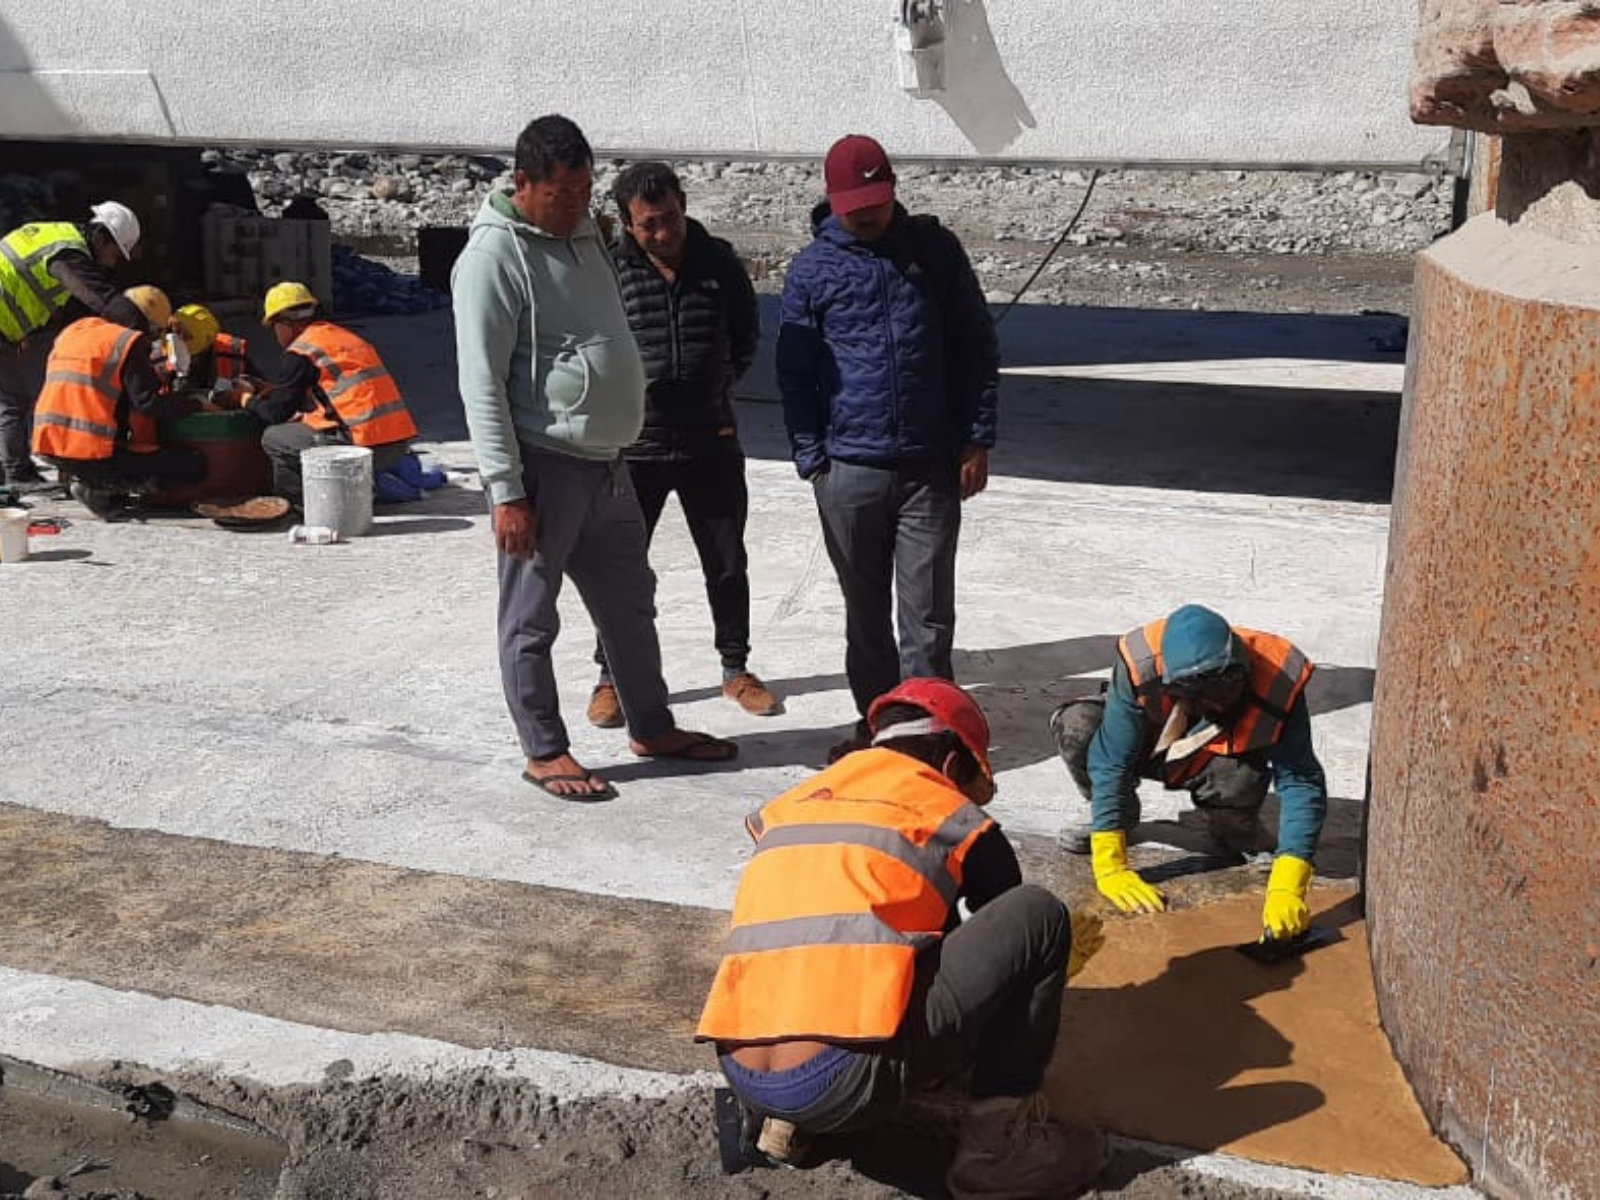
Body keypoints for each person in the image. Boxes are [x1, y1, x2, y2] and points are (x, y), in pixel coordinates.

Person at [698, 678, 1107, 1199]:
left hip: (742, 1072)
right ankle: (998, 1153)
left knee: (822, 932)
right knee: (1040, 917)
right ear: (954, 765)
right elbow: (1004, 940)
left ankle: (784, 1126)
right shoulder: (949, 812)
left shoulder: (793, 806)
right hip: (844, 1082)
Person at [452, 113, 737, 798]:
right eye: (563, 194)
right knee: (531, 616)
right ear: (523, 183)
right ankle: (545, 749)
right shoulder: (493, 259)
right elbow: (481, 383)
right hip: (545, 468)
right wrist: (506, 491)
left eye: (585, 192)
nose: (579, 206)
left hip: (610, 463)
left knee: (631, 604)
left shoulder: (582, 233)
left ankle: (651, 724)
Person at [776, 135, 999, 762]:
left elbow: (977, 347)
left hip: (929, 467)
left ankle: (928, 734)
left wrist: (976, 436)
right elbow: (793, 373)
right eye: (853, 204)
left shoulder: (934, 251)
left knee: (927, 617)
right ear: (831, 199)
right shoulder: (812, 270)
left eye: (874, 201)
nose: (865, 214)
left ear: (892, 189)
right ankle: (876, 727)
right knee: (865, 615)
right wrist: (812, 461)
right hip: (848, 470)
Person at [582, 161, 777, 730]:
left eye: (670, 219)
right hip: (633, 446)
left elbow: (745, 338)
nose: (663, 234)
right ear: (626, 224)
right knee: (621, 569)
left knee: (725, 561)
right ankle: (609, 676)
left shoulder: (719, 263)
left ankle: (736, 668)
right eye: (648, 226)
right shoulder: (609, 271)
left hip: (709, 440)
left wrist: (709, 387)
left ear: (683, 205)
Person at [1050, 603, 1328, 941]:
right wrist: (1110, 864)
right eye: (1195, 694)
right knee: (1078, 728)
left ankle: (1233, 827)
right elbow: (1111, 761)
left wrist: (1290, 880)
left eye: (1222, 690)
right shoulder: (1140, 664)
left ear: (1240, 668)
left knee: (1239, 788)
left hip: (1221, 759)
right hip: (1154, 743)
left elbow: (1301, 780)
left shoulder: (1279, 677)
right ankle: (1117, 816)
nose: (1214, 704)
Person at [0, 201, 144, 490]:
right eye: (114, 253)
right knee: (12, 399)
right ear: (101, 237)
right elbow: (100, 298)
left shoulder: (58, 236)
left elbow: (26, 282)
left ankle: (15, 472)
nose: (112, 263)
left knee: (8, 397)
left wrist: (18, 330)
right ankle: (18, 475)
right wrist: (144, 330)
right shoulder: (67, 255)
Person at [31, 285, 206, 519]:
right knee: (192, 465)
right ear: (145, 324)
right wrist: (196, 403)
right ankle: (98, 488)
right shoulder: (127, 341)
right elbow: (148, 403)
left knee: (127, 450)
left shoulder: (75, 330)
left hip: (48, 445)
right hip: (88, 453)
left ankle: (88, 479)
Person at [244, 281, 417, 503]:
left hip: (361, 449)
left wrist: (245, 399)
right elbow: (337, 394)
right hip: (396, 445)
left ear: (284, 324)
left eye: (273, 327)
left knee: (275, 438)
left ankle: (296, 503)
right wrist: (277, 391)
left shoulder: (301, 351)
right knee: (305, 426)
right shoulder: (343, 338)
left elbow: (275, 414)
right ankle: (357, 489)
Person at [173, 302, 261, 392]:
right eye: (175, 332)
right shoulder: (168, 354)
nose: (178, 339)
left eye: (185, 335)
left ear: (205, 336)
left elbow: (260, 389)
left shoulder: (231, 351)